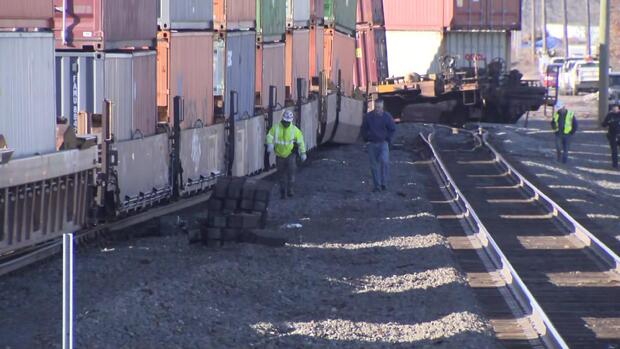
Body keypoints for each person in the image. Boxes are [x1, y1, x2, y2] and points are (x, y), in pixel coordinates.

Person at [266, 110, 306, 199]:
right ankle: (283, 192)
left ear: (291, 121)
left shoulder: (295, 130)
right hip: (280, 156)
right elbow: (269, 136)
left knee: (291, 175)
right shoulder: (276, 128)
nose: (286, 123)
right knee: (281, 176)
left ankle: (290, 190)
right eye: (285, 121)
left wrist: (303, 152)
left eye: (288, 122)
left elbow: (301, 142)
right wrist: (270, 144)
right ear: (282, 120)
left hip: (290, 155)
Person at [361, 99, 396, 192]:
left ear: (382, 107)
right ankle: (377, 186)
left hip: (383, 143)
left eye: (379, 107)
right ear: (374, 106)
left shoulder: (387, 117)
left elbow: (392, 129)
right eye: (376, 107)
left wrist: (388, 140)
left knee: (384, 161)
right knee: (374, 166)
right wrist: (366, 140)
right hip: (372, 144)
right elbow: (363, 129)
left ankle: (384, 184)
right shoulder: (368, 117)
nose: (377, 109)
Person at [602, 104, 620, 168]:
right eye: (613, 109)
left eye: (615, 109)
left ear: (618, 109)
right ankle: (615, 165)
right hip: (612, 135)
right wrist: (608, 122)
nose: (614, 110)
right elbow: (603, 124)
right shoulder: (609, 115)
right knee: (614, 151)